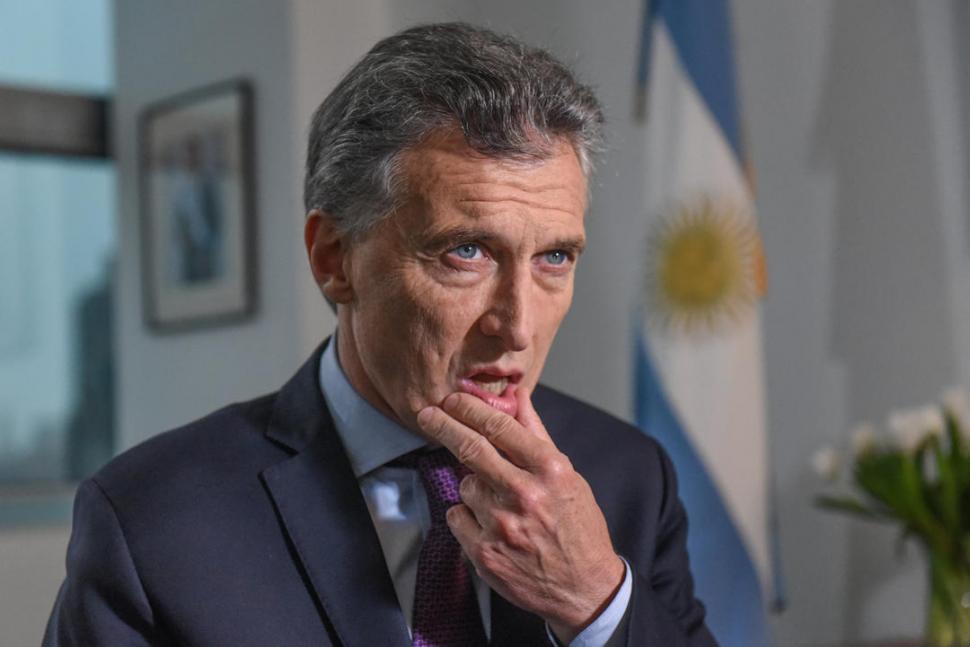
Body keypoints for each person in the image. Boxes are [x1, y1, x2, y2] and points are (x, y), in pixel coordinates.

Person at [44, 22, 716, 647]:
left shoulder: (629, 475)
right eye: (467, 252)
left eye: (555, 257)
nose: (517, 324)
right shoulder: (149, 520)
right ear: (335, 258)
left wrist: (594, 600)